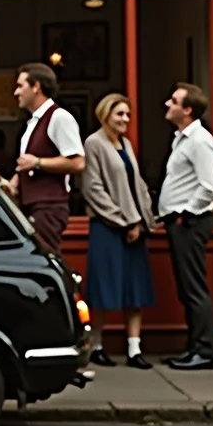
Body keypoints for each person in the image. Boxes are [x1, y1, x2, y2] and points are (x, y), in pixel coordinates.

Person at [81, 93, 157, 369]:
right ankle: (96, 346)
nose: (125, 119)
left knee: (134, 289)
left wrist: (144, 218)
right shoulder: (94, 143)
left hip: (135, 226)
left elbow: (137, 184)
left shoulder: (126, 144)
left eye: (127, 114)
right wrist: (124, 221)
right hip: (108, 227)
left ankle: (134, 349)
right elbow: (93, 189)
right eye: (120, 114)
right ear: (105, 115)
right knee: (104, 288)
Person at [160, 82, 213, 371]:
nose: (167, 104)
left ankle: (204, 351)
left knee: (194, 288)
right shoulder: (183, 139)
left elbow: (209, 188)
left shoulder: (200, 141)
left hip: (190, 223)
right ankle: (193, 347)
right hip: (181, 222)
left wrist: (185, 214)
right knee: (187, 288)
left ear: (188, 110)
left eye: (174, 101)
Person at [7, 63, 85, 257]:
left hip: (48, 207)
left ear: (36, 87)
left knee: (45, 260)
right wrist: (15, 181)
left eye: (20, 86)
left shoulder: (59, 117)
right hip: (33, 207)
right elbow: (30, 163)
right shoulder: (33, 123)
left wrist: (37, 163)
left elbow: (78, 162)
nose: (16, 92)